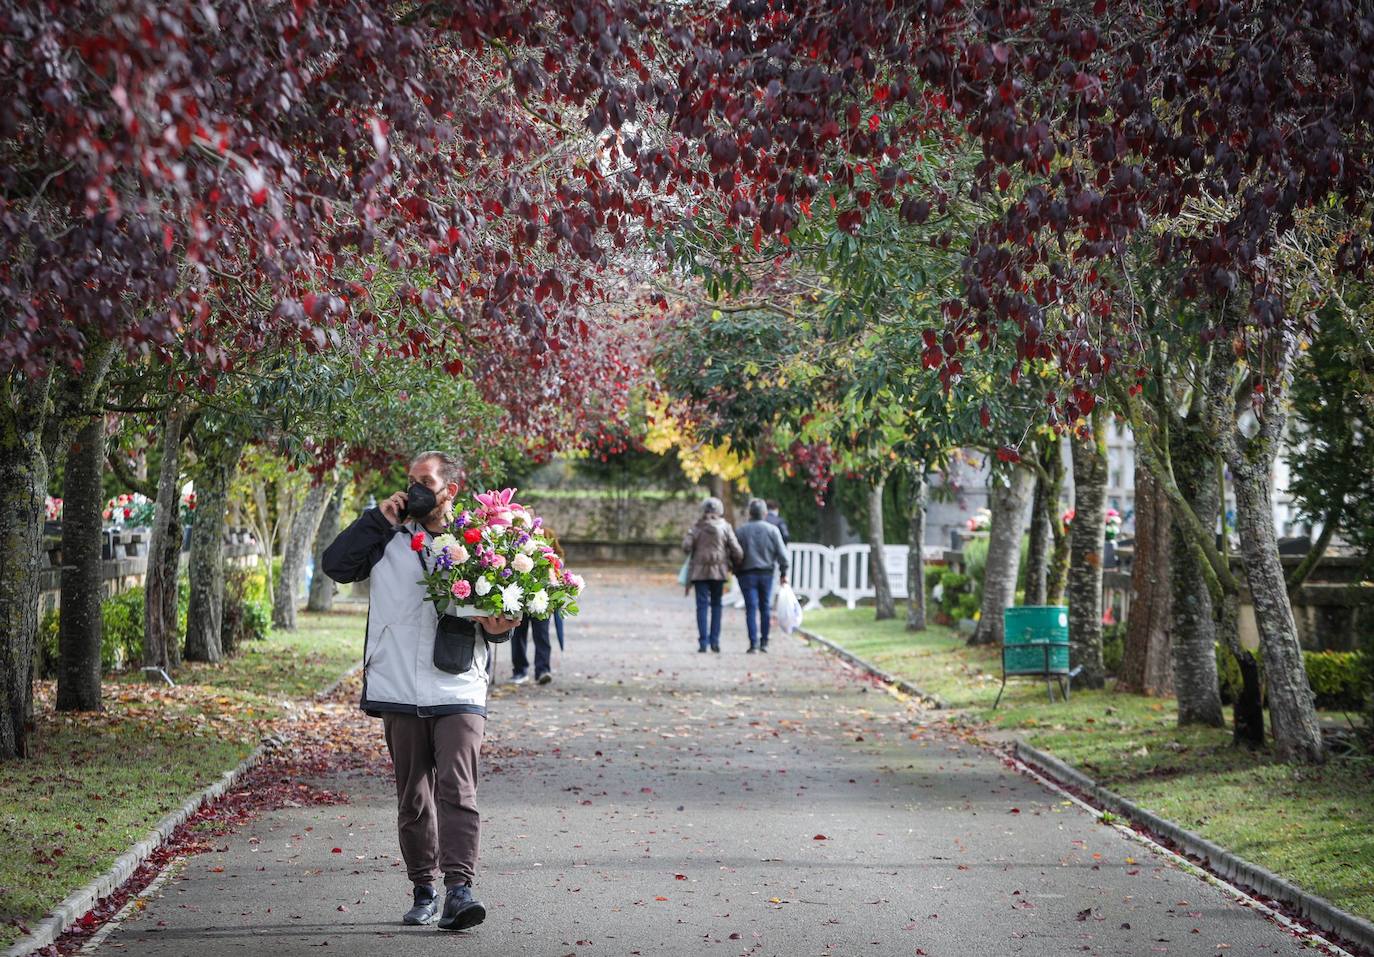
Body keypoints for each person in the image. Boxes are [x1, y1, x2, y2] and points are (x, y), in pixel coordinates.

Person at [322, 451, 520, 932]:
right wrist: (378, 520)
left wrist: (500, 629)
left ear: (449, 489)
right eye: (410, 481)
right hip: (398, 684)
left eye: (425, 481)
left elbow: (500, 611)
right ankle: (423, 889)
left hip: (459, 684)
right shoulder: (385, 537)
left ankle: (459, 890)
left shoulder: (480, 541)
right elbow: (335, 565)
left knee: (458, 788)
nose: (414, 489)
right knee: (413, 796)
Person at [682, 496, 743, 653]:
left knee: (701, 606)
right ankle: (715, 641)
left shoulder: (697, 527)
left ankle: (703, 642)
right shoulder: (725, 527)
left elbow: (686, 546)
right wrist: (735, 562)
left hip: (699, 572)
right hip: (719, 572)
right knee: (716, 606)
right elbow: (737, 550)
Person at [735, 498, 790, 653]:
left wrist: (736, 570)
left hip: (746, 573)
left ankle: (753, 643)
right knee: (765, 607)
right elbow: (782, 554)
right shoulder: (772, 530)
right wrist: (784, 572)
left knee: (751, 608)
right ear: (765, 513)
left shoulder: (741, 531)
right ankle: (764, 641)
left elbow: (734, 553)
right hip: (767, 573)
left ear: (750, 513)